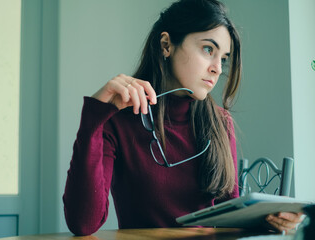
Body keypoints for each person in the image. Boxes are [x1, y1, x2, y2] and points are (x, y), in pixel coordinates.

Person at [63, 0, 302, 236]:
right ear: (166, 45)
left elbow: (229, 216)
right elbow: (82, 224)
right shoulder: (118, 121)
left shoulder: (220, 123)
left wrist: (266, 220)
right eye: (208, 49)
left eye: (223, 58)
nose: (217, 68)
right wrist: (93, 118)